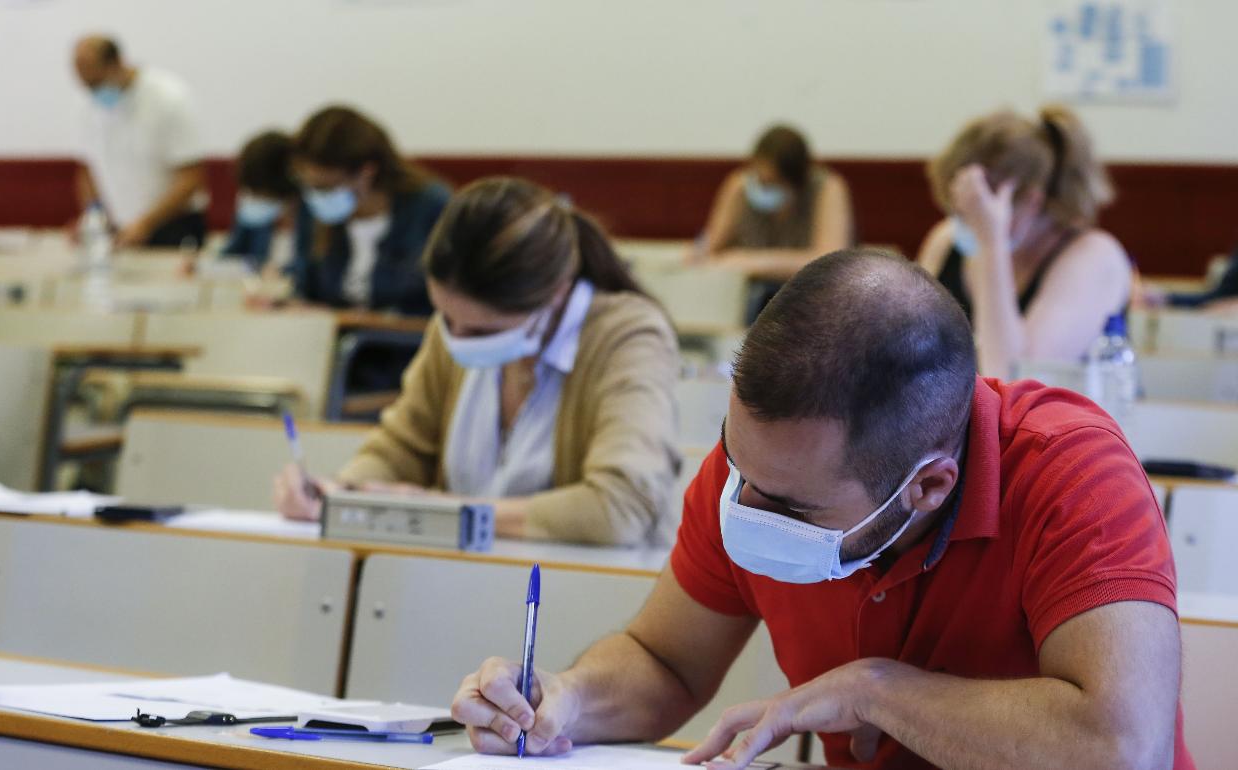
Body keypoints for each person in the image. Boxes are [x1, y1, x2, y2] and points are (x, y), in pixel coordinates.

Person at [450, 250, 1191, 769]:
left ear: (926, 488)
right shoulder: (757, 468)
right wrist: (565, 702)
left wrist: (875, 691)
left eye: (793, 507)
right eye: (735, 464)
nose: (744, 504)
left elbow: (1120, 748)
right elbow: (665, 662)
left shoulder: (1071, 472)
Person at [274, 177, 681, 546]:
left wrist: (445, 512)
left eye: (485, 332)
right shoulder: (454, 325)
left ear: (555, 294)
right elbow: (402, 448)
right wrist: (340, 492)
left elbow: (620, 508)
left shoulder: (627, 335)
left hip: (584, 589)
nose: (456, 339)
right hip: (464, 578)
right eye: (446, 317)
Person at [918, 105, 1131, 380]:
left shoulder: (1095, 256)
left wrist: (991, 245)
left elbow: (1014, 377)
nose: (962, 223)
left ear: (1031, 201)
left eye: (975, 209)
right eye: (960, 211)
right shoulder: (946, 240)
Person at [288, 106, 449, 316]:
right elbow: (306, 288)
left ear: (366, 172)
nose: (317, 197)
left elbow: (442, 305)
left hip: (399, 342)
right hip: (331, 337)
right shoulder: (314, 211)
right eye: (309, 185)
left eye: (327, 187)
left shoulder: (431, 207)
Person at [691, 125, 853, 321]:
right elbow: (709, 248)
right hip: (754, 304)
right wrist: (699, 254)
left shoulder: (827, 188)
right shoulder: (740, 186)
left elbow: (830, 259)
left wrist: (749, 262)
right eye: (758, 177)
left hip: (813, 305)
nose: (762, 186)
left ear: (797, 181)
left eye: (772, 182)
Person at [72, 35, 208, 248]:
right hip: (122, 229)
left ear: (116, 63)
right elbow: (88, 170)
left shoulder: (168, 97)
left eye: (98, 82)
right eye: (88, 86)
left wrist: (146, 224)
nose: (94, 92)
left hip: (173, 227)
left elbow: (190, 178)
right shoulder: (90, 106)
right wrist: (94, 218)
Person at [220, 130, 297, 271]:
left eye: (260, 193)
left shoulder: (311, 223)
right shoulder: (251, 216)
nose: (254, 199)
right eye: (250, 191)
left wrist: (280, 271)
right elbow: (230, 256)